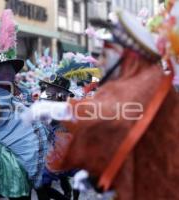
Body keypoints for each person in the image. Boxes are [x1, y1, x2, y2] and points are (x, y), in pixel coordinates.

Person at [46, 10, 179, 200]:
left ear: (126, 56)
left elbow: (111, 118)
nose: (99, 62)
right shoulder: (136, 81)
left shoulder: (148, 82)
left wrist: (65, 109)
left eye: (105, 54)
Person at [0, 51, 49, 199]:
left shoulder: (23, 90)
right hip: (15, 159)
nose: (5, 72)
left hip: (35, 155)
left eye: (7, 67)